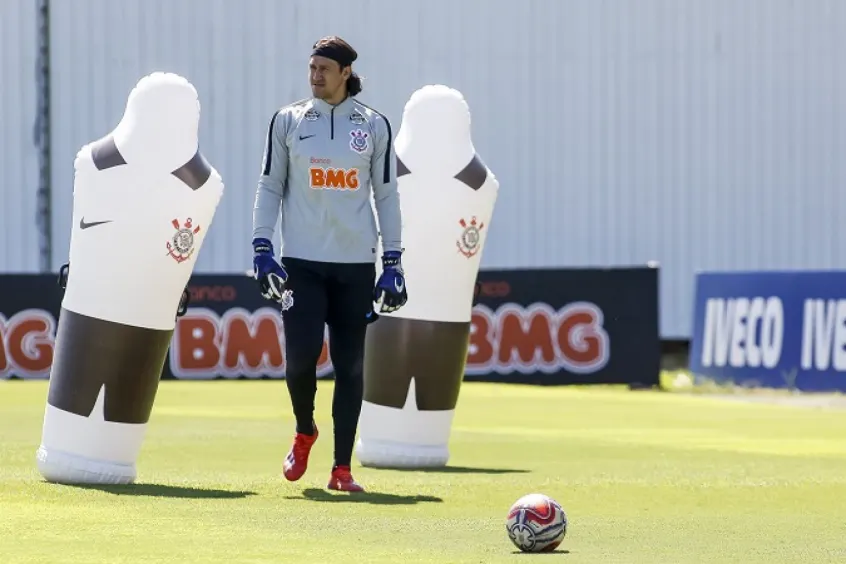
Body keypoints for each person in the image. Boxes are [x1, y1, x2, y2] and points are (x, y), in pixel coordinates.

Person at [251, 36, 408, 492]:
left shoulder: (375, 125)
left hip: (355, 265)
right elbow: (269, 186)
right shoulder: (287, 120)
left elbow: (387, 195)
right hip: (301, 262)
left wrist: (393, 261)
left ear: (345, 73)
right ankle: (305, 429)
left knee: (350, 367)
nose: (315, 75)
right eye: (312, 67)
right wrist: (262, 248)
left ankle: (342, 469)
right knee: (300, 361)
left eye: (324, 69)